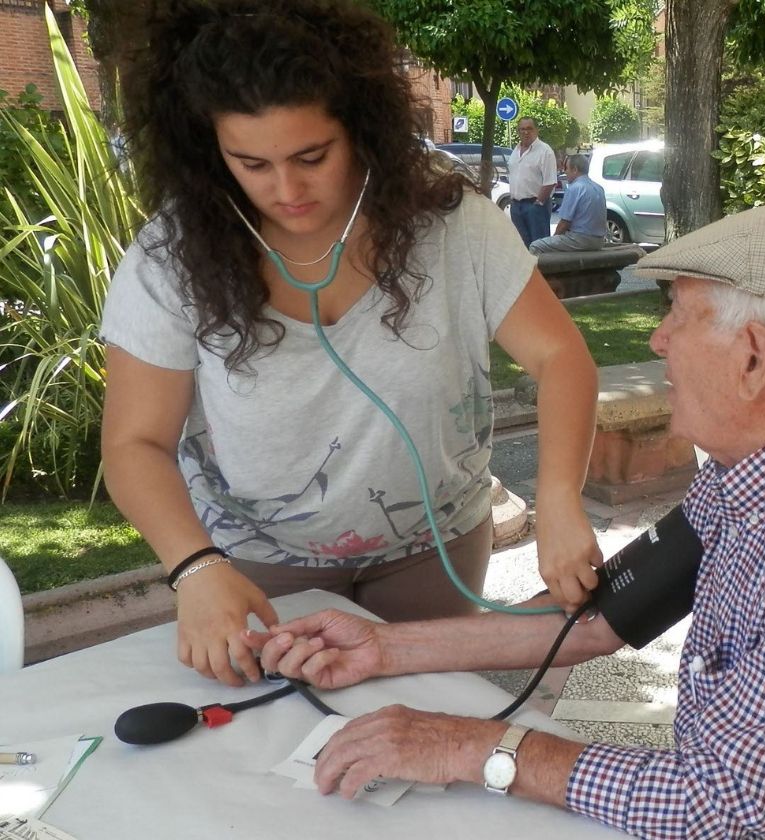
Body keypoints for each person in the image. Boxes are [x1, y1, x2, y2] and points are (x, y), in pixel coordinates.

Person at [250, 201, 765, 840]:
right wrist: (381, 648)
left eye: (677, 314)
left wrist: (470, 745)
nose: (656, 339)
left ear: (752, 357)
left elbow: (718, 805)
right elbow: (597, 622)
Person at [98, 0, 603, 689]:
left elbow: (560, 357)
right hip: (256, 560)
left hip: (435, 549)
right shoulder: (171, 256)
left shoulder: (454, 225)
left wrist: (561, 501)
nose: (286, 190)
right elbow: (135, 443)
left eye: (313, 156)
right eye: (250, 163)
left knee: (427, 726)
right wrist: (195, 568)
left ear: (362, 130)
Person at [529, 154, 606, 255]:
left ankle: (540, 271)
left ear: (575, 169)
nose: (565, 172)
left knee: (535, 246)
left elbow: (564, 223)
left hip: (580, 240)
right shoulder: (599, 188)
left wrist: (554, 239)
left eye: (567, 169)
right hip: (599, 241)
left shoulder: (574, 188)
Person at [507, 117, 558, 247]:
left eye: (529, 129)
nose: (525, 132)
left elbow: (550, 181)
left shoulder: (545, 151)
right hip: (516, 206)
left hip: (535, 206)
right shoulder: (515, 151)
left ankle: (540, 268)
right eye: (522, 129)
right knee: (521, 248)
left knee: (538, 247)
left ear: (536, 130)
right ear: (518, 131)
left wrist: (538, 203)